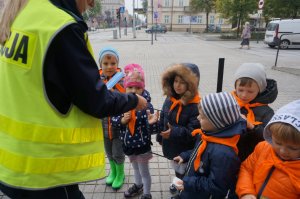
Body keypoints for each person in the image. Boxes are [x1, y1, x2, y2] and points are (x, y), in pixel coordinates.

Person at [0, 1, 147, 198]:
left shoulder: (24, 14)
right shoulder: (59, 26)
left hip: (12, 166)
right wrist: (134, 101)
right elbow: (96, 100)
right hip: (45, 171)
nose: (93, 3)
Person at [173, 92, 247, 199]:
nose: (198, 118)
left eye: (202, 117)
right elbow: (198, 151)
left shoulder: (224, 154)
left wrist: (189, 183)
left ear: (217, 122)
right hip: (193, 190)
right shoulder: (208, 134)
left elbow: (216, 186)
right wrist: (185, 156)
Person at [111, 64, 159, 199]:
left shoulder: (146, 105)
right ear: (125, 87)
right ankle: (138, 185)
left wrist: (152, 123)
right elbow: (114, 121)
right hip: (128, 145)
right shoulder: (121, 104)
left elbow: (152, 130)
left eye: (138, 87)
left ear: (143, 88)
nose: (133, 90)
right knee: (135, 169)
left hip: (142, 146)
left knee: (144, 171)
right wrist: (122, 121)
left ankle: (147, 193)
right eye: (130, 87)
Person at [236, 100, 300, 199]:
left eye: (293, 148)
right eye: (278, 143)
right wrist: (246, 192)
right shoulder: (263, 148)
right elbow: (247, 169)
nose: (283, 151)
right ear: (270, 135)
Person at [156, 63, 201, 195]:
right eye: (175, 81)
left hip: (185, 147)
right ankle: (178, 180)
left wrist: (174, 132)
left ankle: (184, 189)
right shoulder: (170, 97)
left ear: (191, 84)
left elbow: (193, 132)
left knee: (185, 169)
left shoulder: (195, 105)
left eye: (182, 82)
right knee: (176, 166)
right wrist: (160, 135)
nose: (177, 85)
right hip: (171, 143)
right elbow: (164, 116)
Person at [231, 63, 278, 162]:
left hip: (250, 158)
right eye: (240, 90)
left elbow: (271, 138)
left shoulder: (266, 112)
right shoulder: (230, 102)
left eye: (250, 91)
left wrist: (252, 127)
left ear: (259, 90)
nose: (244, 95)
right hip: (229, 155)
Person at [98, 47, 126, 189]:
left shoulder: (122, 80)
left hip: (118, 125)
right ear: (100, 65)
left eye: (113, 63)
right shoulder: (96, 81)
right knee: (108, 152)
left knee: (118, 152)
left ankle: (120, 174)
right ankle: (113, 172)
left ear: (117, 64)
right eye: (106, 63)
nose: (109, 67)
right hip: (103, 125)